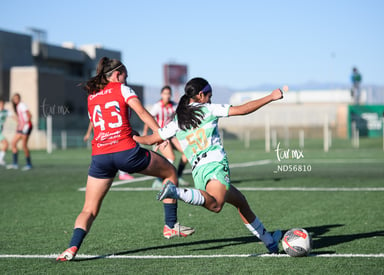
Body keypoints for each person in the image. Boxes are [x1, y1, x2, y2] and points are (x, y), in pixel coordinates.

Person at [56, 57, 194, 262]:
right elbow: (141, 112)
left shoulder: (92, 95)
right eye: (125, 76)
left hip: (100, 156)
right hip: (126, 152)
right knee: (170, 172)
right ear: (118, 74)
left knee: (89, 209)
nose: (126, 80)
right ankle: (170, 226)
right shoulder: (122, 89)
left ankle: (71, 248)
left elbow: (105, 124)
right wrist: (160, 135)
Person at [134, 77, 285, 253]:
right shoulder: (208, 109)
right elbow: (242, 109)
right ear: (200, 95)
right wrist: (270, 97)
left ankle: (270, 242)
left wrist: (132, 138)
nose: (211, 99)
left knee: (241, 202)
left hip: (199, 172)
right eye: (209, 95)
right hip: (214, 165)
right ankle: (176, 192)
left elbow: (152, 139)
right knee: (216, 205)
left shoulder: (178, 120)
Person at [143, 85, 190, 188]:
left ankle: (178, 176)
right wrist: (145, 132)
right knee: (171, 157)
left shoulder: (174, 106)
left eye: (169, 94)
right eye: (165, 94)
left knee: (187, 153)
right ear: (161, 95)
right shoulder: (157, 106)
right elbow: (149, 119)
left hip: (172, 135)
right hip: (161, 136)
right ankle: (158, 180)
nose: (167, 96)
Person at [6, 93, 33, 171]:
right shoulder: (17, 106)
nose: (15, 100)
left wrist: (25, 124)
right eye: (14, 99)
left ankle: (29, 164)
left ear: (19, 99)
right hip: (21, 127)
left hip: (27, 126)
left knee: (24, 145)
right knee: (13, 143)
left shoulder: (22, 105)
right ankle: (15, 164)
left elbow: (30, 115)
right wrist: (19, 125)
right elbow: (20, 118)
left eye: (17, 98)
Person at [0, 99, 10, 166]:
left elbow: (13, 116)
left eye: (2, 104)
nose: (1, 105)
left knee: (6, 144)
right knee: (6, 143)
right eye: (0, 104)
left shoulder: (6, 111)